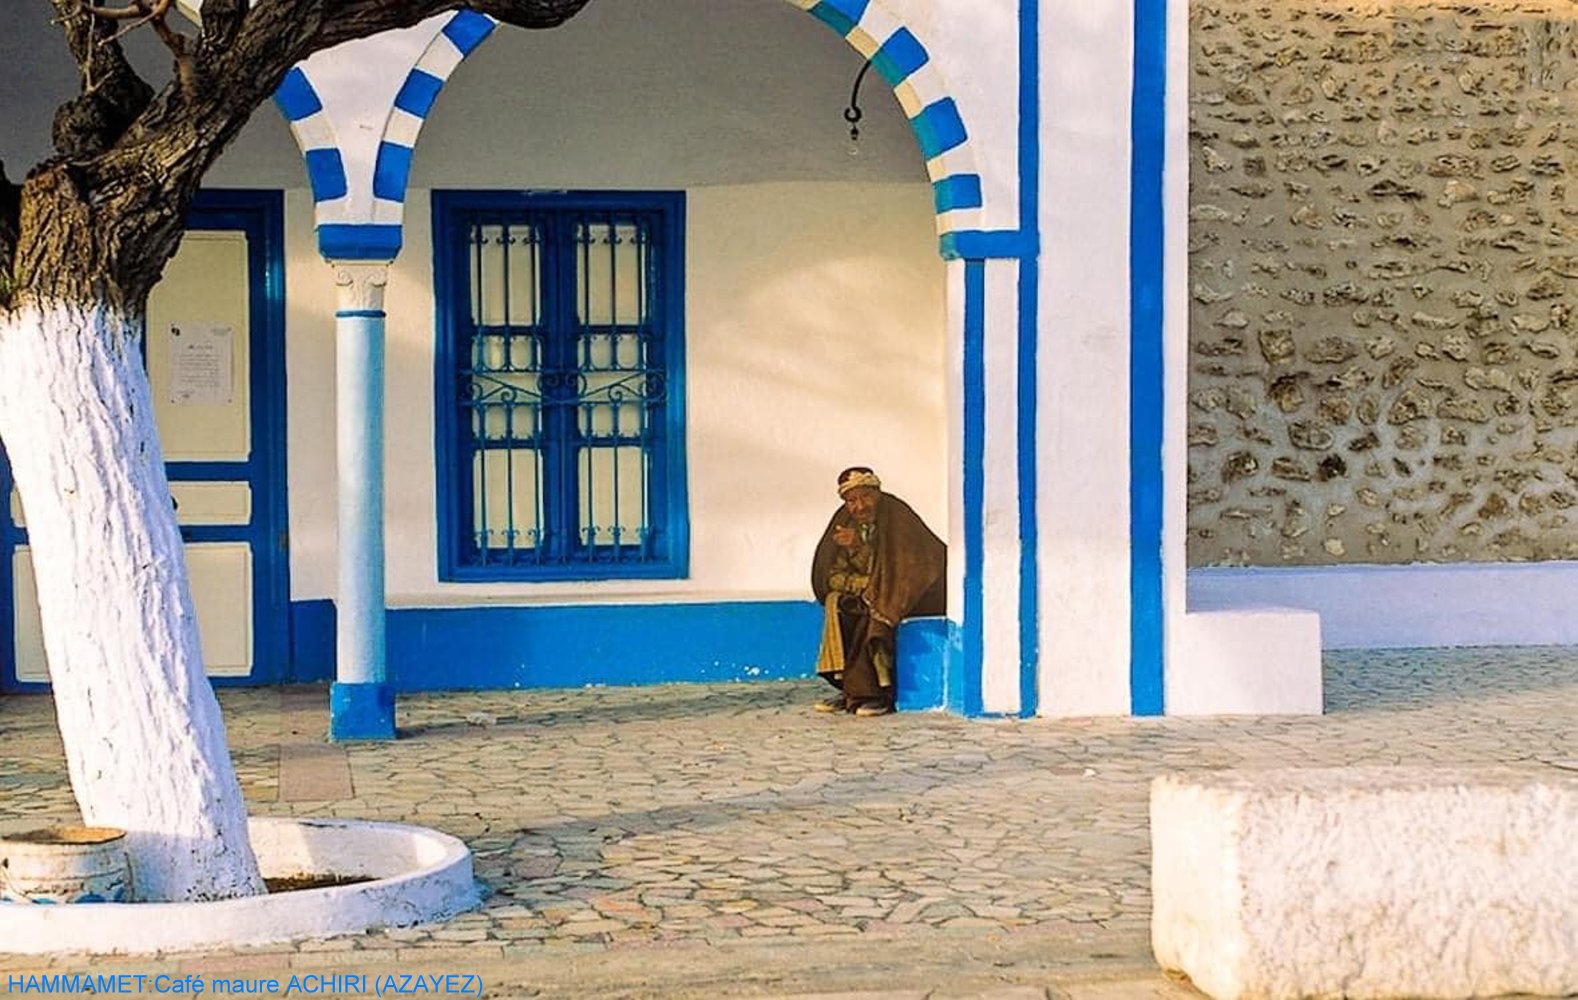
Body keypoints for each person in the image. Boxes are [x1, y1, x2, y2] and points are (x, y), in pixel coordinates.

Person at [810, 466, 946, 716]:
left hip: (917, 592)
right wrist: (861, 584)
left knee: (873, 610)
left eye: (865, 497)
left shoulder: (897, 516)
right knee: (839, 604)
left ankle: (876, 694)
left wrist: (861, 548)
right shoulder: (844, 522)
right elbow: (832, 575)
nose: (860, 506)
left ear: (877, 493)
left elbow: (903, 567)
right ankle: (849, 689)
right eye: (852, 500)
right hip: (872, 589)